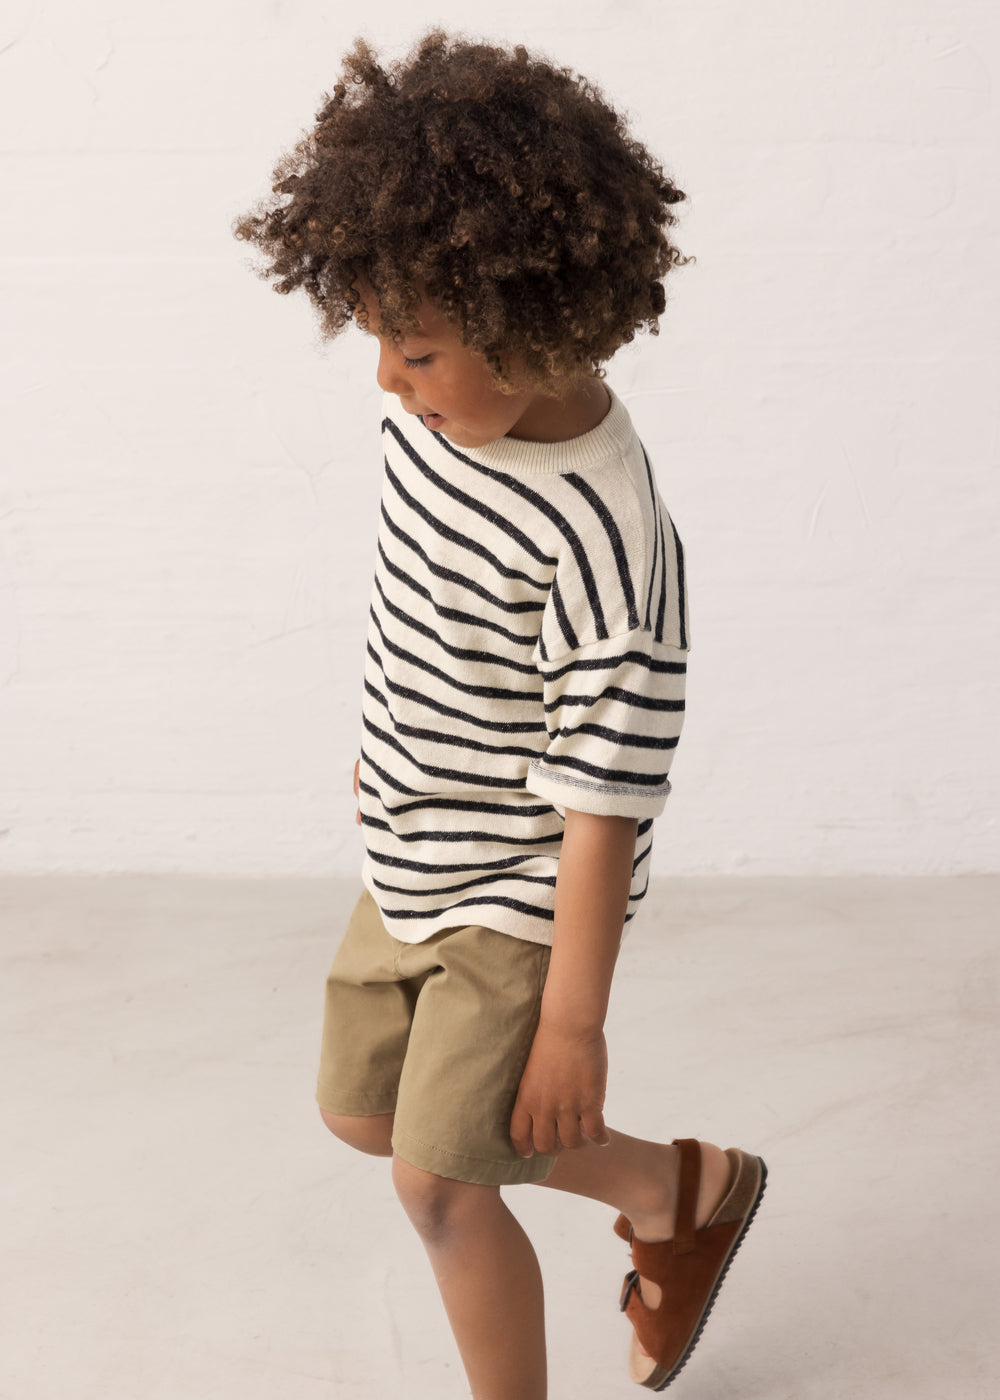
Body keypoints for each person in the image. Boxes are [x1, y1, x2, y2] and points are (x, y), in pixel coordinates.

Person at [233, 29, 766, 1398]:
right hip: (415, 845)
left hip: (523, 892)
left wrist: (573, 1027)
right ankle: (677, 1189)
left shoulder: (606, 542)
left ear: (540, 330)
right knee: (365, 1115)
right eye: (381, 347)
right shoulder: (449, 421)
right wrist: (391, 744)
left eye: (413, 353)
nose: (386, 384)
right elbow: (429, 601)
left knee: (442, 1182)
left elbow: (602, 809)